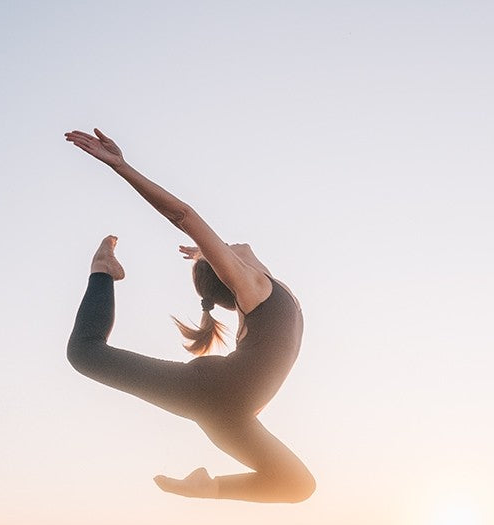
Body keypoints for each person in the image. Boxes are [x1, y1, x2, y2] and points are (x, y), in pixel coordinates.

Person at [64, 128, 315, 503]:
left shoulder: (267, 288)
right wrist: (121, 166)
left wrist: (203, 254)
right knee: (83, 353)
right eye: (222, 253)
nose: (227, 245)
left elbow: (243, 247)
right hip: (215, 395)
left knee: (298, 486)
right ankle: (103, 269)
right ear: (230, 275)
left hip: (230, 415)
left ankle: (206, 487)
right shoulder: (256, 290)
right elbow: (184, 214)